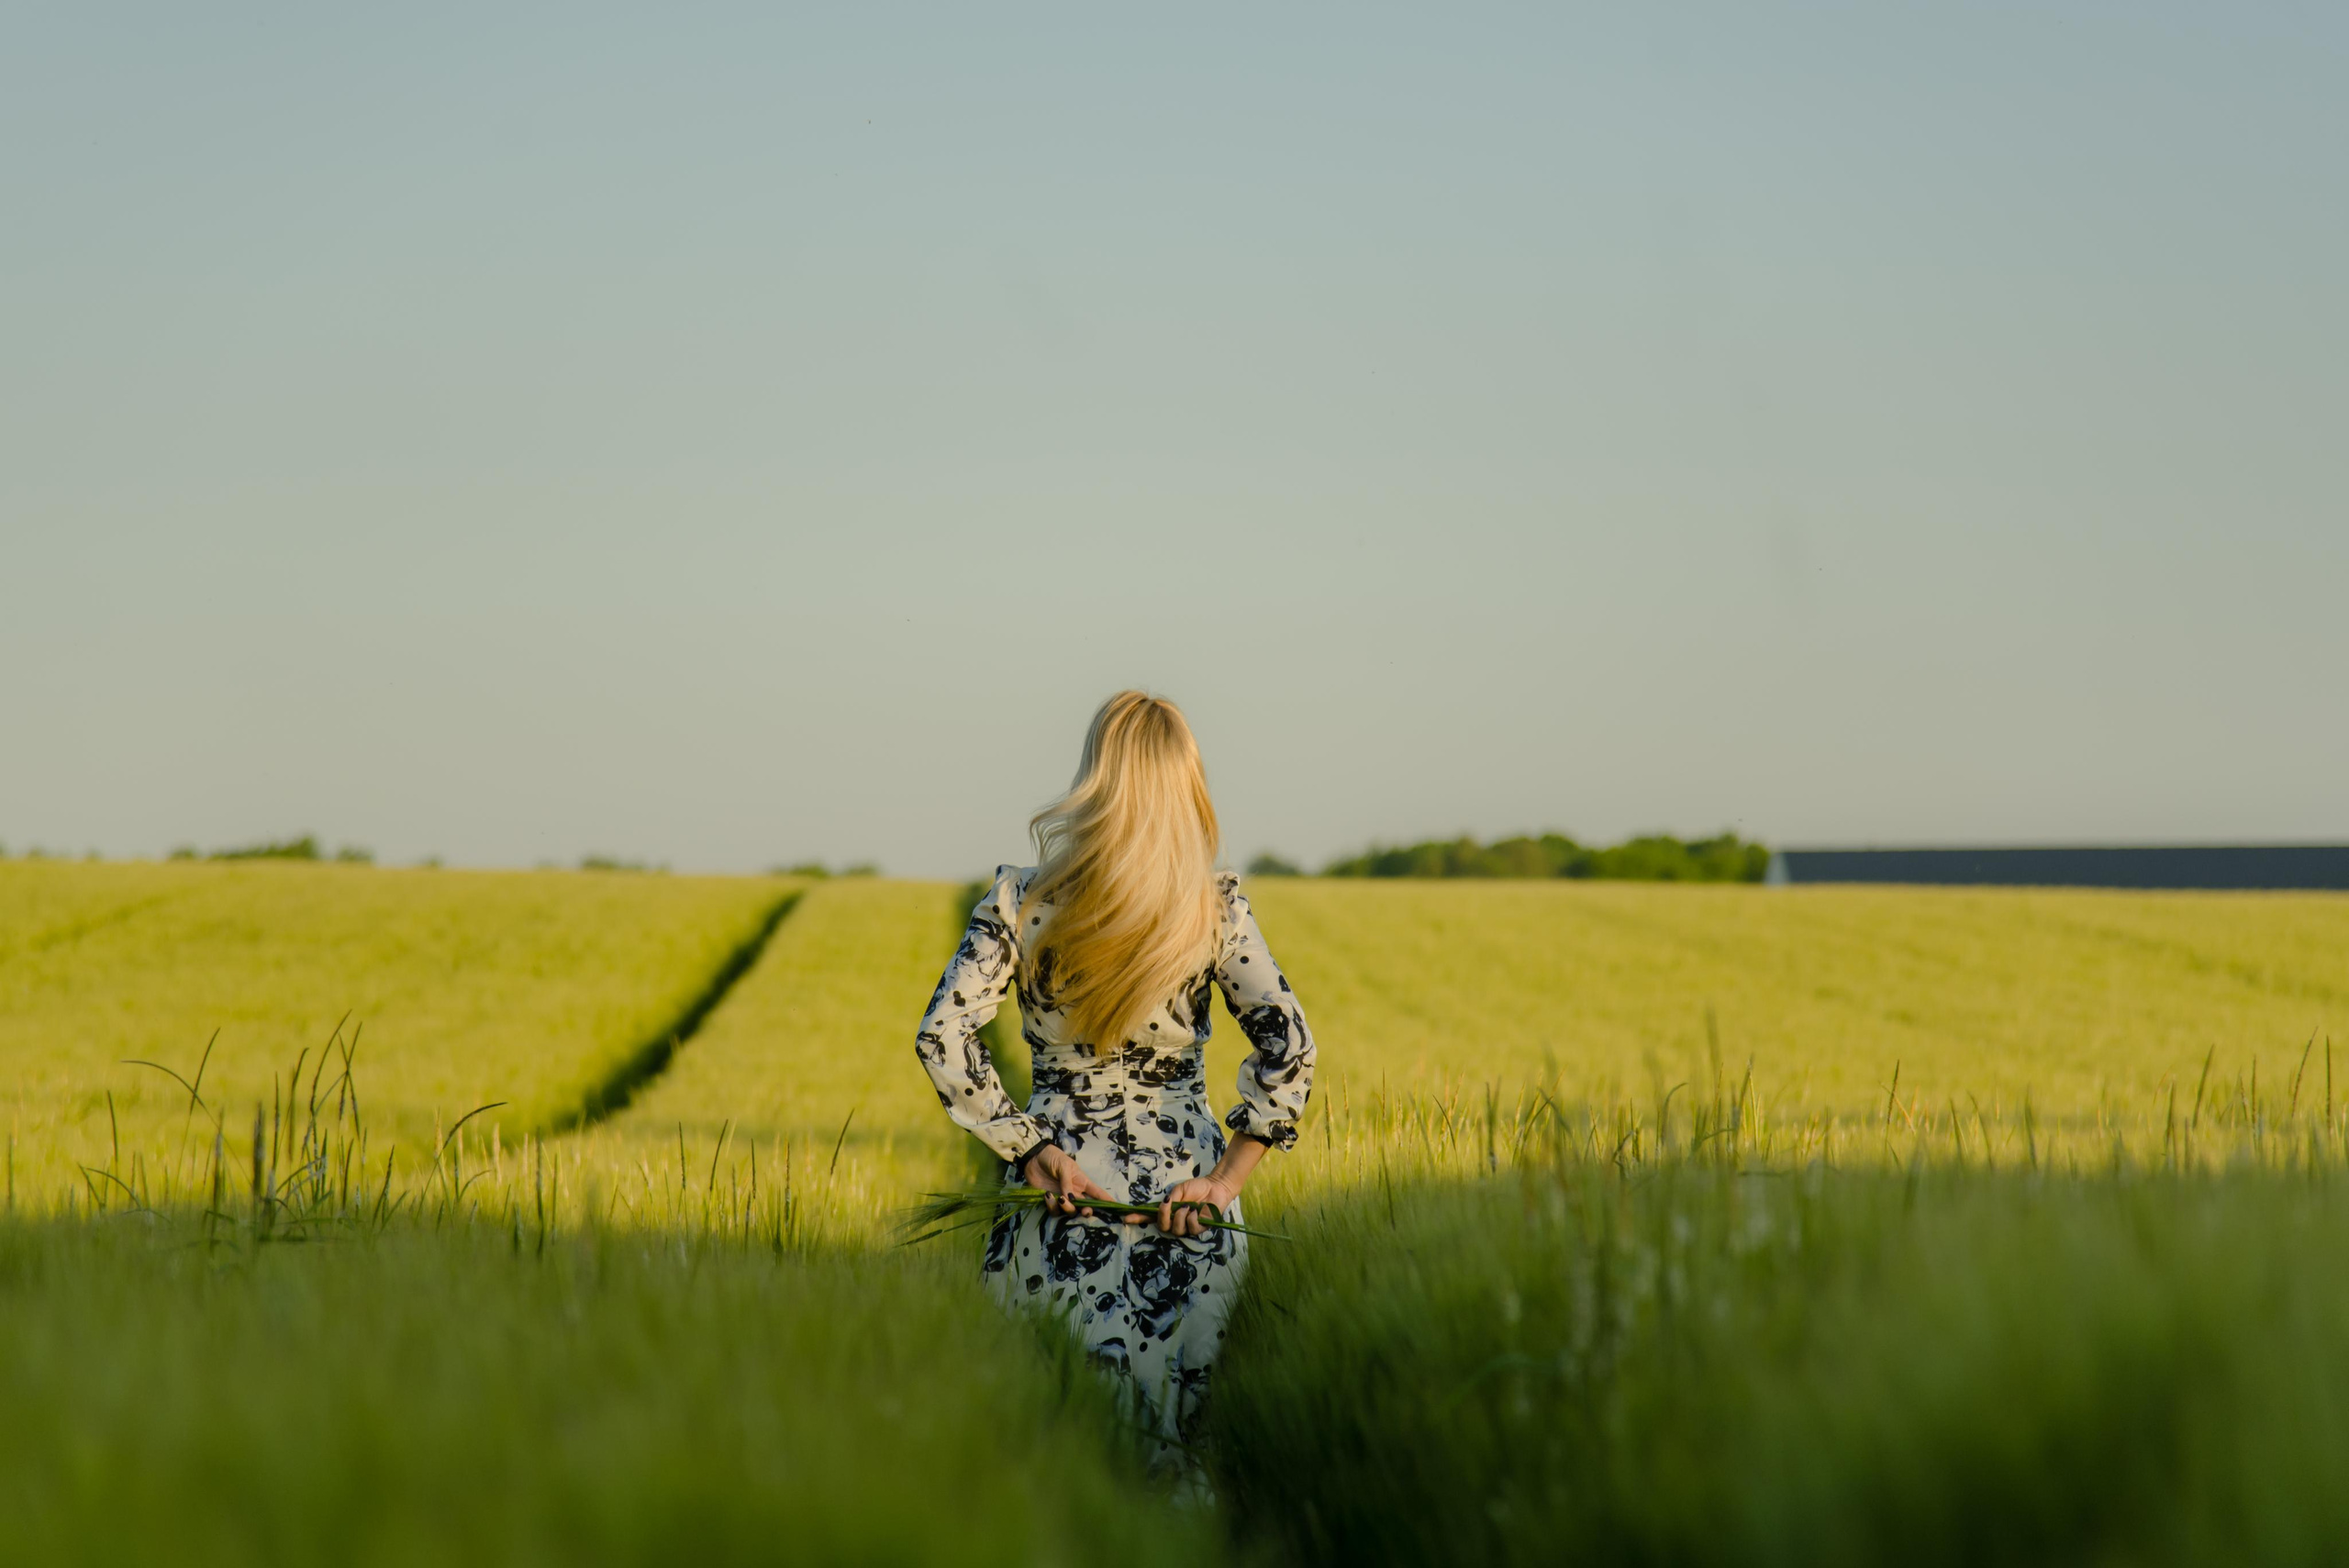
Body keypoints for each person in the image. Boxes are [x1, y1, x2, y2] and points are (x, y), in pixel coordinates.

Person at [913, 690, 1316, 1471]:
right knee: (1184, 1457)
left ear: (1096, 779)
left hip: (1059, 1204)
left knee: (1057, 1458)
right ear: (1185, 787)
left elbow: (944, 1035)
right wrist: (1226, 1182)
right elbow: (1291, 1046)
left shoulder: (1019, 902)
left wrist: (1029, 1150)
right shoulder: (1214, 910)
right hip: (1186, 1215)